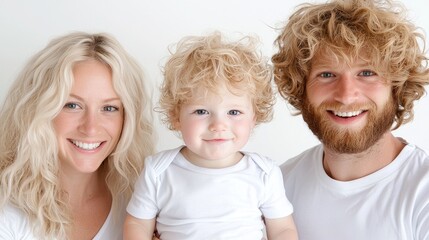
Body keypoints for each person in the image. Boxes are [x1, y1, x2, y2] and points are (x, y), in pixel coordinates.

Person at [271, 0, 429, 239]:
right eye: (326, 74)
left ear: (397, 86)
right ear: (301, 89)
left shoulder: (422, 191)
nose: (345, 96)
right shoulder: (276, 186)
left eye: (367, 73)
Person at [123, 32, 298, 240]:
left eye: (234, 112)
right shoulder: (158, 171)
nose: (218, 125)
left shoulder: (264, 173)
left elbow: (283, 229)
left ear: (254, 117)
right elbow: (137, 223)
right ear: (176, 116)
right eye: (201, 111)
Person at [0, 32, 155, 239]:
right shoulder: (7, 208)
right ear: (38, 111)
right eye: (72, 105)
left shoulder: (142, 202)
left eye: (109, 108)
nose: (91, 128)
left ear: (127, 119)